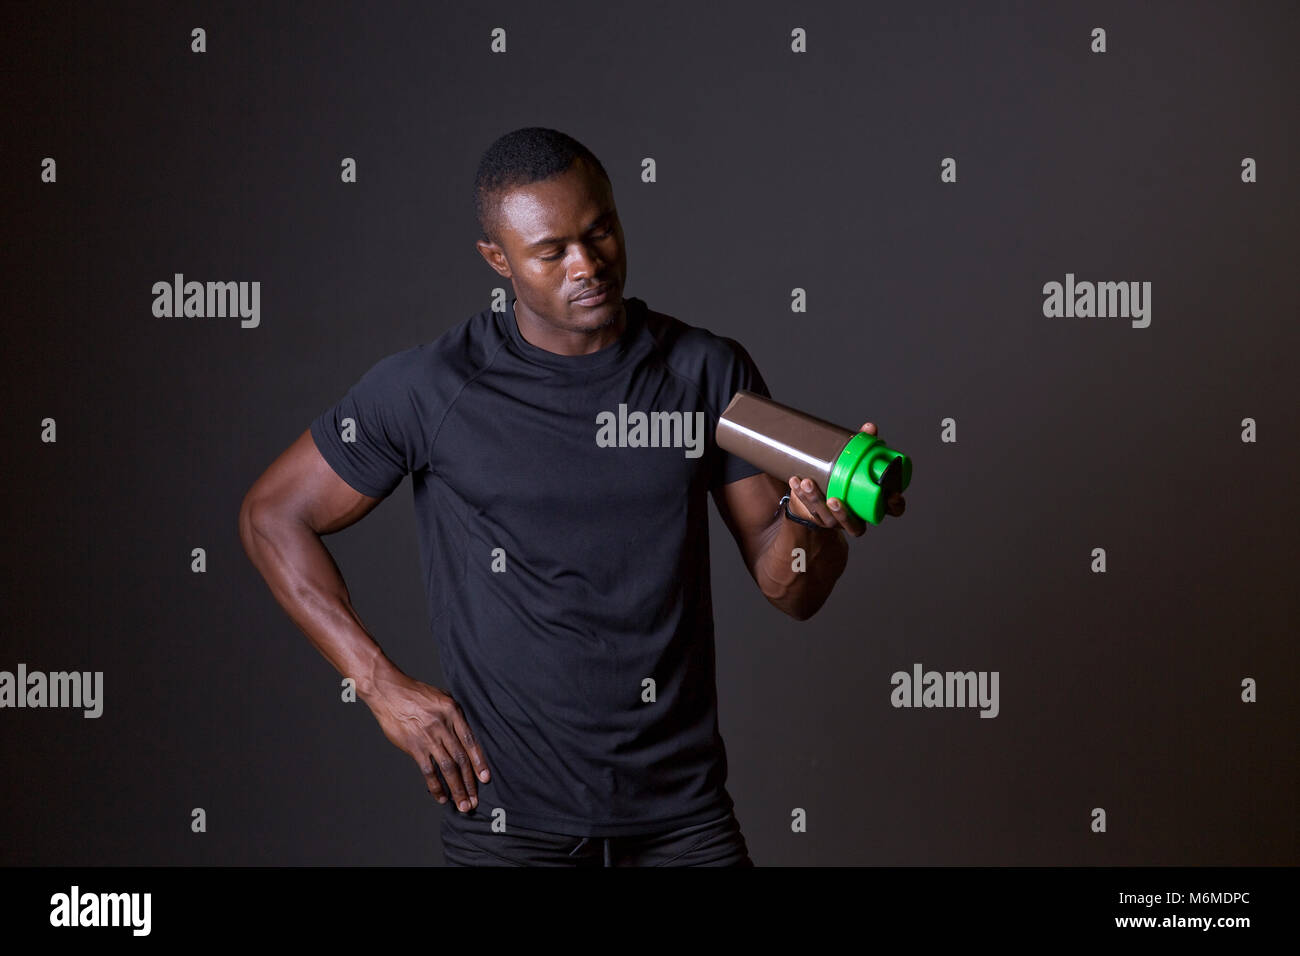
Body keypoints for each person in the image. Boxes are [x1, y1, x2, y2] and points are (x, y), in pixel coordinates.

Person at [237, 127, 905, 867]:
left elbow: (792, 590)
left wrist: (814, 528)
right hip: (509, 830)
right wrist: (379, 685)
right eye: (552, 252)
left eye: (601, 232)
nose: (587, 266)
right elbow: (272, 515)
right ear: (499, 261)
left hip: (684, 823)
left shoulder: (707, 374)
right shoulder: (430, 389)